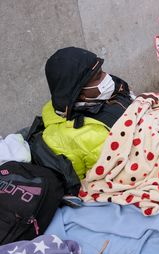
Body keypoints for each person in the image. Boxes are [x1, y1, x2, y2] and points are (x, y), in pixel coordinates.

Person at [42, 47, 134, 179]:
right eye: (98, 77)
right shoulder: (62, 139)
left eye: (102, 71)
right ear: (78, 93)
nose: (106, 78)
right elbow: (80, 182)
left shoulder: (109, 91)